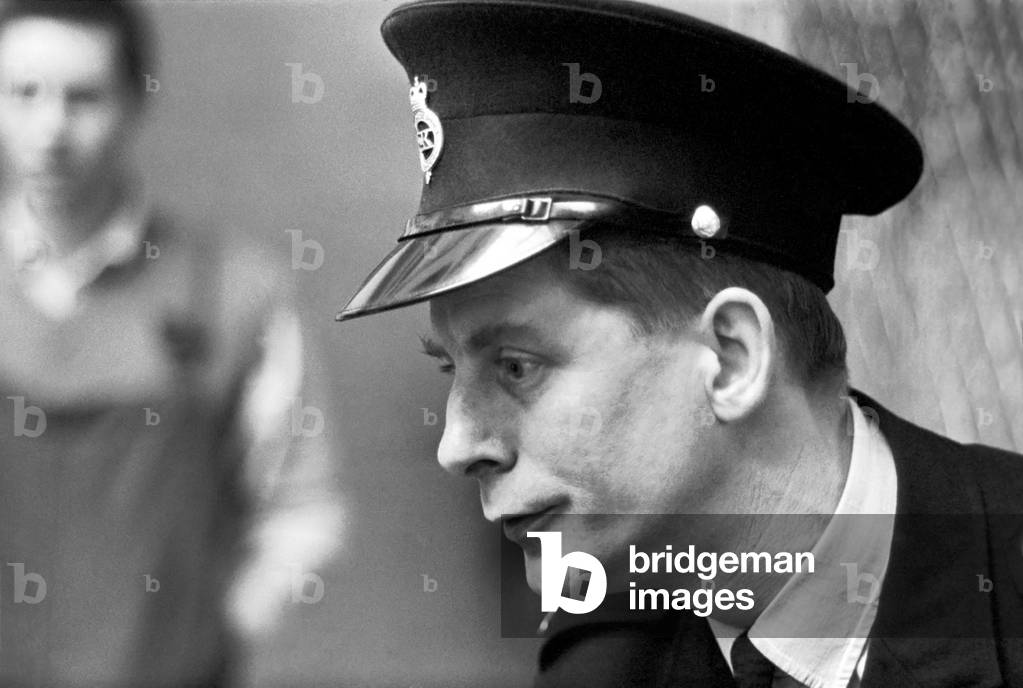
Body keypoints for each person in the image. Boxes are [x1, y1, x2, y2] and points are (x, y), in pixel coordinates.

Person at [336, 0, 1023, 686]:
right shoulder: (599, 664)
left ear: (731, 357)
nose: (456, 446)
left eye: (517, 367)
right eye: (449, 368)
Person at [0, 2, 344, 686]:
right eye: (23, 94)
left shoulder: (232, 291)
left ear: (134, 102)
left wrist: (215, 633)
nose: (51, 129)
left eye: (83, 97)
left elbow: (303, 509)